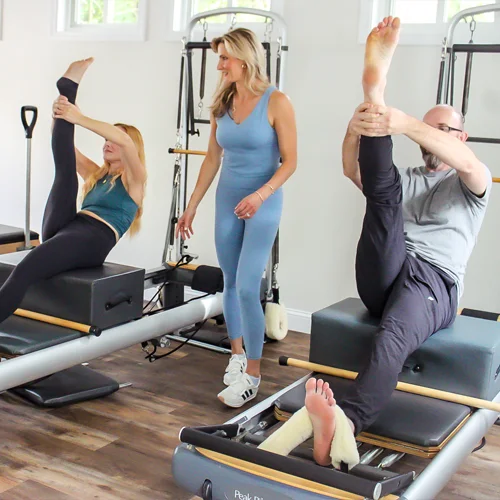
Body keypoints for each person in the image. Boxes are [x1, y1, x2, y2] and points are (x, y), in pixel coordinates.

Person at [305, 16, 492, 466]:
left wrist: (403, 122)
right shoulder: (406, 180)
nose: (429, 135)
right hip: (384, 270)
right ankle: (374, 93)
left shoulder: (473, 184)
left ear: (459, 137)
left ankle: (343, 424)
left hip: (433, 284)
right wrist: (359, 126)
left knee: (392, 336)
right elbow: (352, 170)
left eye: (441, 129)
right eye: (425, 128)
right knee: (381, 197)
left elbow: (467, 164)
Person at [176, 28, 297, 408]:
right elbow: (212, 159)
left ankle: (254, 376)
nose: (220, 64)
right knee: (230, 283)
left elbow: (291, 162)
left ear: (244, 58)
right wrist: (192, 203)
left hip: (263, 202)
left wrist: (260, 195)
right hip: (227, 200)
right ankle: (237, 356)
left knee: (248, 287)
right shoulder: (221, 103)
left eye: (225, 57)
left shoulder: (277, 102)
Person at [0, 58, 147, 325]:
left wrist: (78, 117)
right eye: (105, 140)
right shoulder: (97, 174)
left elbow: (124, 140)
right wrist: (60, 111)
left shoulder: (135, 181)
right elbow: (64, 148)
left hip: (93, 239)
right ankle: (68, 90)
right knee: (65, 169)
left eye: (111, 138)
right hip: (67, 226)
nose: (107, 144)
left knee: (25, 269)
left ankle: (69, 87)